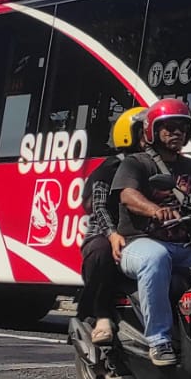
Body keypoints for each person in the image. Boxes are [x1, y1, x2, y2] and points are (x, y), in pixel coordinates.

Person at [112, 98, 191, 367]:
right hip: (139, 244)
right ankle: (159, 340)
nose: (176, 132)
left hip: (185, 245)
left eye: (182, 127)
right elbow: (128, 195)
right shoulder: (136, 163)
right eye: (168, 127)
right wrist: (154, 209)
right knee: (155, 258)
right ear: (152, 131)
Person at [76, 106, 147, 345]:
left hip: (144, 234)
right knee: (101, 252)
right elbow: (98, 206)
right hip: (109, 234)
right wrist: (112, 233)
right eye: (145, 130)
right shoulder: (111, 168)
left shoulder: (159, 166)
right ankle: (101, 315)